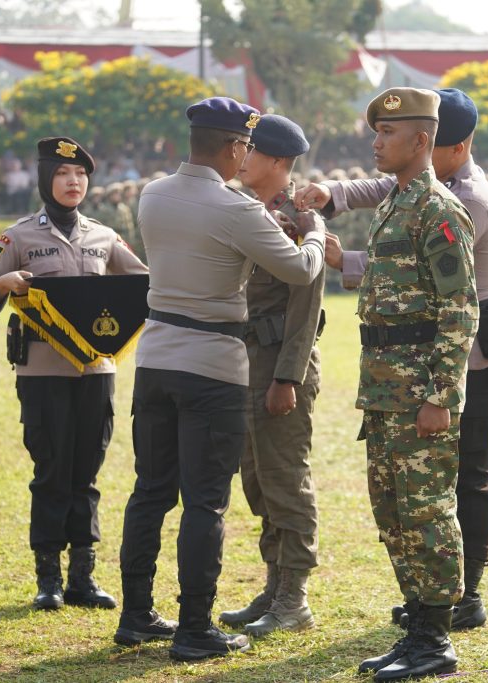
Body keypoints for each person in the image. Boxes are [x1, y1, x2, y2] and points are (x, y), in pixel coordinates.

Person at [297, 88, 488, 639]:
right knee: (398, 508)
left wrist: (441, 395)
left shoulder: (456, 203)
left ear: (436, 143)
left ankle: (445, 618)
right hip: (394, 382)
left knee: (441, 498)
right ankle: (424, 614)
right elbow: (383, 189)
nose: (376, 143)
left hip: (448, 371)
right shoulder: (405, 195)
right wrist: (333, 195)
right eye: (376, 132)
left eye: (388, 134)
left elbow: (455, 306)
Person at [113, 97, 325, 662]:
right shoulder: (237, 208)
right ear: (234, 147)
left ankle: (135, 616)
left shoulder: (152, 193)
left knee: (150, 492)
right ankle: (194, 627)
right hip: (212, 365)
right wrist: (315, 229)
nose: (245, 155)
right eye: (243, 146)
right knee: (205, 503)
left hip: (155, 358)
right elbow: (303, 267)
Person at [0, 136, 148, 612]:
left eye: (81, 175)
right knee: (51, 469)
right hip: (42, 371)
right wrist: (5, 284)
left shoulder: (104, 237)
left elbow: (142, 283)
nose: (74, 182)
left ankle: (82, 580)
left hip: (96, 370)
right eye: (64, 175)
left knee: (87, 471)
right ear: (46, 181)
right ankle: (47, 578)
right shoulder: (19, 237)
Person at [216, 114, 324, 638]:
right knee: (256, 479)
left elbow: (307, 306)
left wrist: (288, 377)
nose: (242, 156)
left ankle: (294, 597)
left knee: (285, 477)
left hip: (282, 360)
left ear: (278, 162)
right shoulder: (241, 209)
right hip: (245, 358)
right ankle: (274, 583)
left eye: (251, 150)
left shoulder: (300, 217)